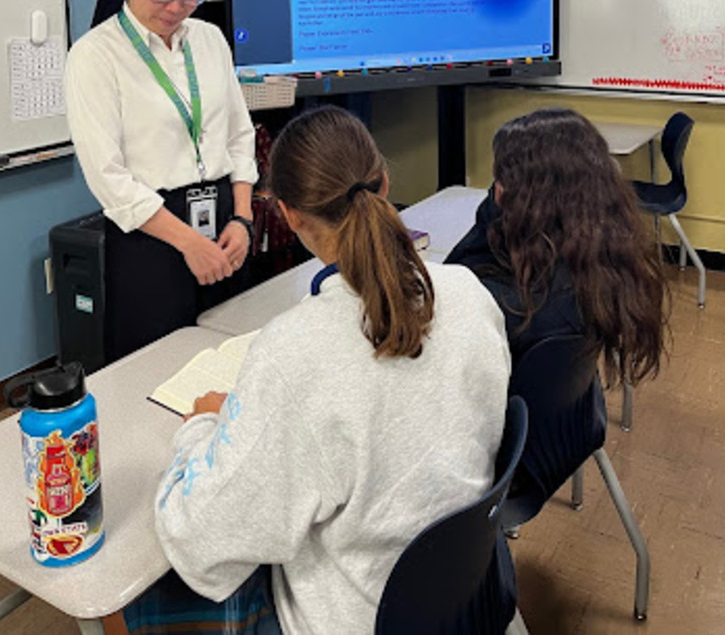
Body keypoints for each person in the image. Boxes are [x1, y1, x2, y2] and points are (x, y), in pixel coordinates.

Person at [117, 106, 510, 635]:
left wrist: (202, 427)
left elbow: (201, 539)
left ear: (289, 214)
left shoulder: (295, 352)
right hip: (465, 594)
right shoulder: (468, 292)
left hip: (355, 616)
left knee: (134, 589)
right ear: (385, 180)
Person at [64, 0, 257, 361]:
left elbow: (239, 134)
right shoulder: (95, 56)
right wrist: (191, 244)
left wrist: (243, 220)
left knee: (231, 356)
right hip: (150, 236)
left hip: (225, 222)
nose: (176, 7)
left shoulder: (210, 40)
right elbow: (110, 180)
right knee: (157, 367)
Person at [446, 108, 668, 387]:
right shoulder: (598, 260)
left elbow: (452, 275)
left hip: (501, 416)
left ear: (523, 199)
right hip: (574, 417)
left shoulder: (498, 303)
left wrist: (505, 203)